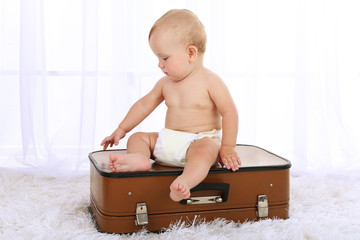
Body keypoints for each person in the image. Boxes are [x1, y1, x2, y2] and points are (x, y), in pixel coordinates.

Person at [101, 9, 241, 202]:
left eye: (164, 58)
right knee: (138, 138)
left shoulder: (210, 81)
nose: (160, 65)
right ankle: (140, 158)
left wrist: (227, 146)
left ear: (191, 53)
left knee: (207, 150)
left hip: (198, 141)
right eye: (158, 59)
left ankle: (185, 182)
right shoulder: (164, 84)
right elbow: (143, 106)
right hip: (168, 141)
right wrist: (121, 129)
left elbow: (230, 112)